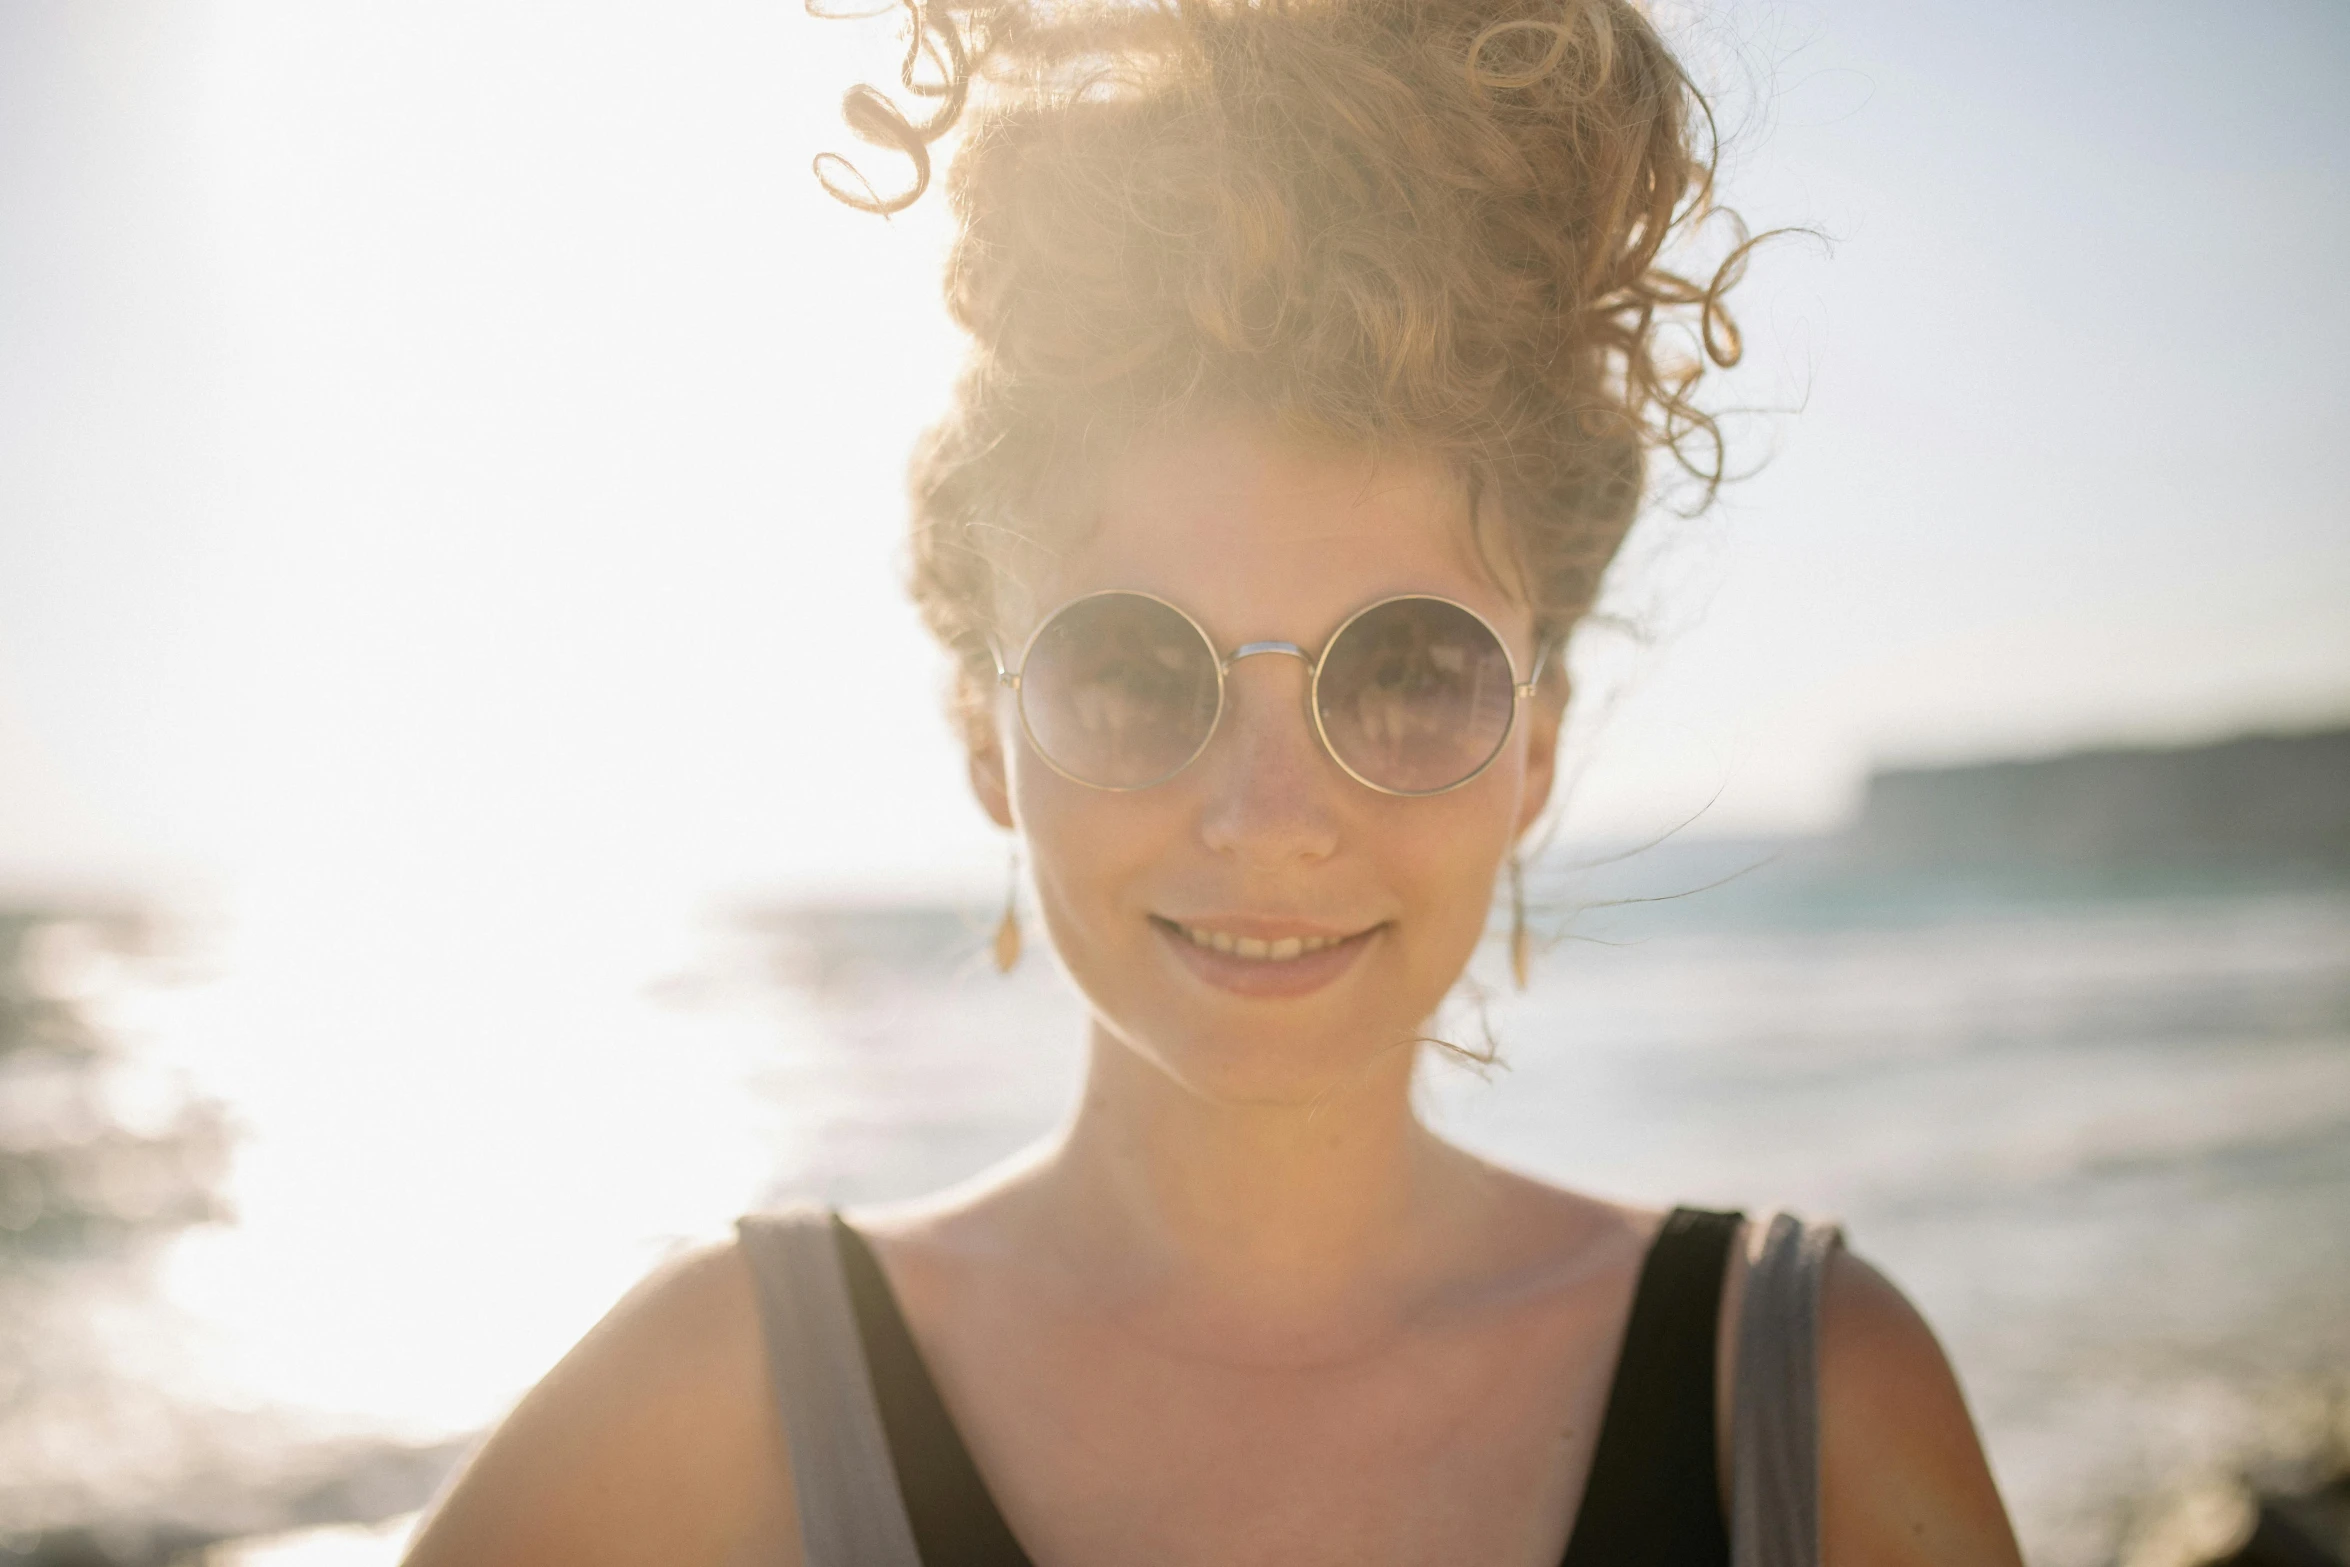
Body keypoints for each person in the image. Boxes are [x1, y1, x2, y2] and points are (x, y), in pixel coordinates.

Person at [405, 1, 2024, 1562]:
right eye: (1131, 670)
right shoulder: (706, 1411)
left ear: (1532, 748)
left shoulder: (1810, 1402)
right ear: (985, 729)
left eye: (1403, 673)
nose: (1268, 813)